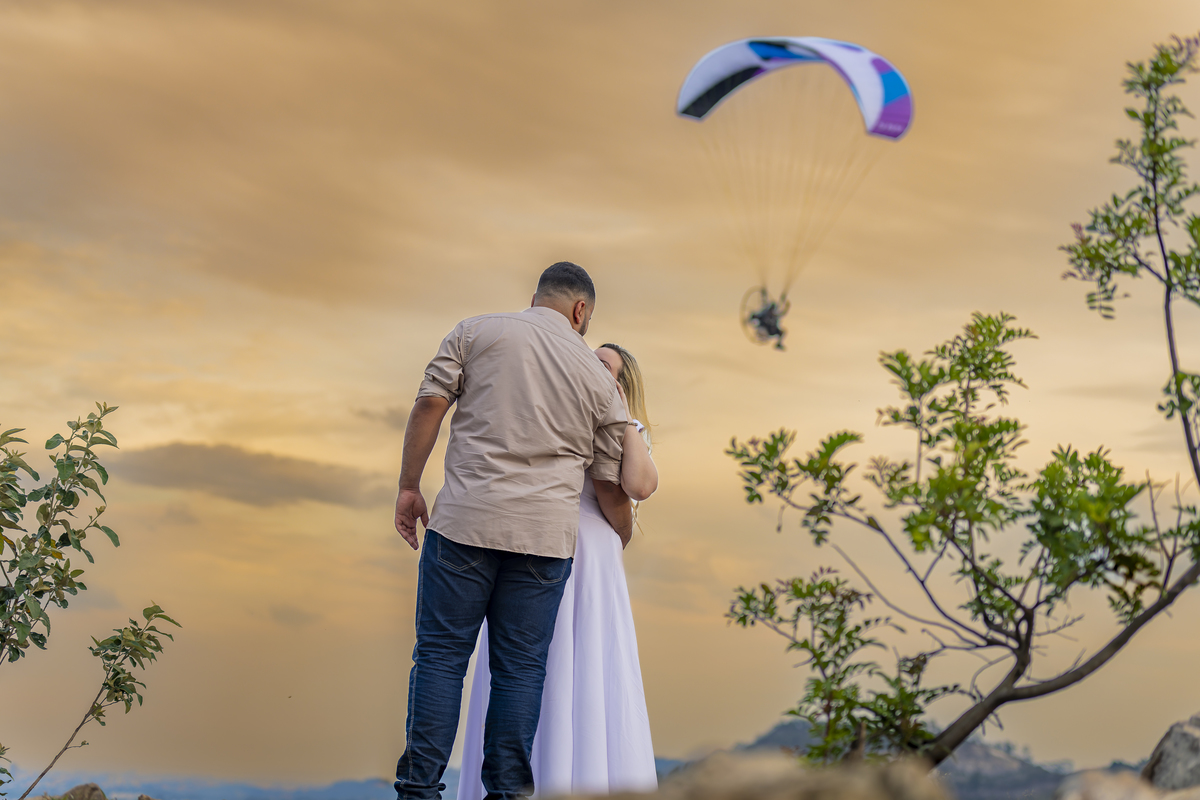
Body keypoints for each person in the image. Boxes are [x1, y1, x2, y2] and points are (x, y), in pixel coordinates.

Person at [392, 262, 654, 800]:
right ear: (581, 311)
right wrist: (623, 534)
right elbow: (610, 486)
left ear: (536, 297)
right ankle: (507, 795)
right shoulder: (595, 376)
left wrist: (409, 486)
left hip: (464, 523)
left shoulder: (476, 331)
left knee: (440, 660)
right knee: (520, 674)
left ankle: (418, 792)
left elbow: (429, 404)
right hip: (544, 542)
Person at [457, 342, 659, 800]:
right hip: (539, 541)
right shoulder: (551, 412)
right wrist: (623, 529)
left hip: (591, 556)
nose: (591, 369)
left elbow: (639, 485)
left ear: (623, 385)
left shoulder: (624, 427)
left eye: (604, 367)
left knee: (586, 660)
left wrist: (623, 418)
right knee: (528, 666)